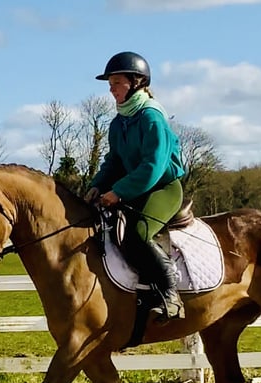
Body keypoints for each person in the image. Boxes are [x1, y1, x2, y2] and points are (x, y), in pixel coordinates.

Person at [86, 51, 186, 322]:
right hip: (135, 187)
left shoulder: (151, 118)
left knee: (138, 233)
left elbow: (153, 166)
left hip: (162, 187)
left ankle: (170, 295)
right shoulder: (118, 123)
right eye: (110, 85)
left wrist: (118, 192)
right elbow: (114, 161)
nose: (112, 90)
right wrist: (97, 186)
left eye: (117, 83)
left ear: (137, 82)